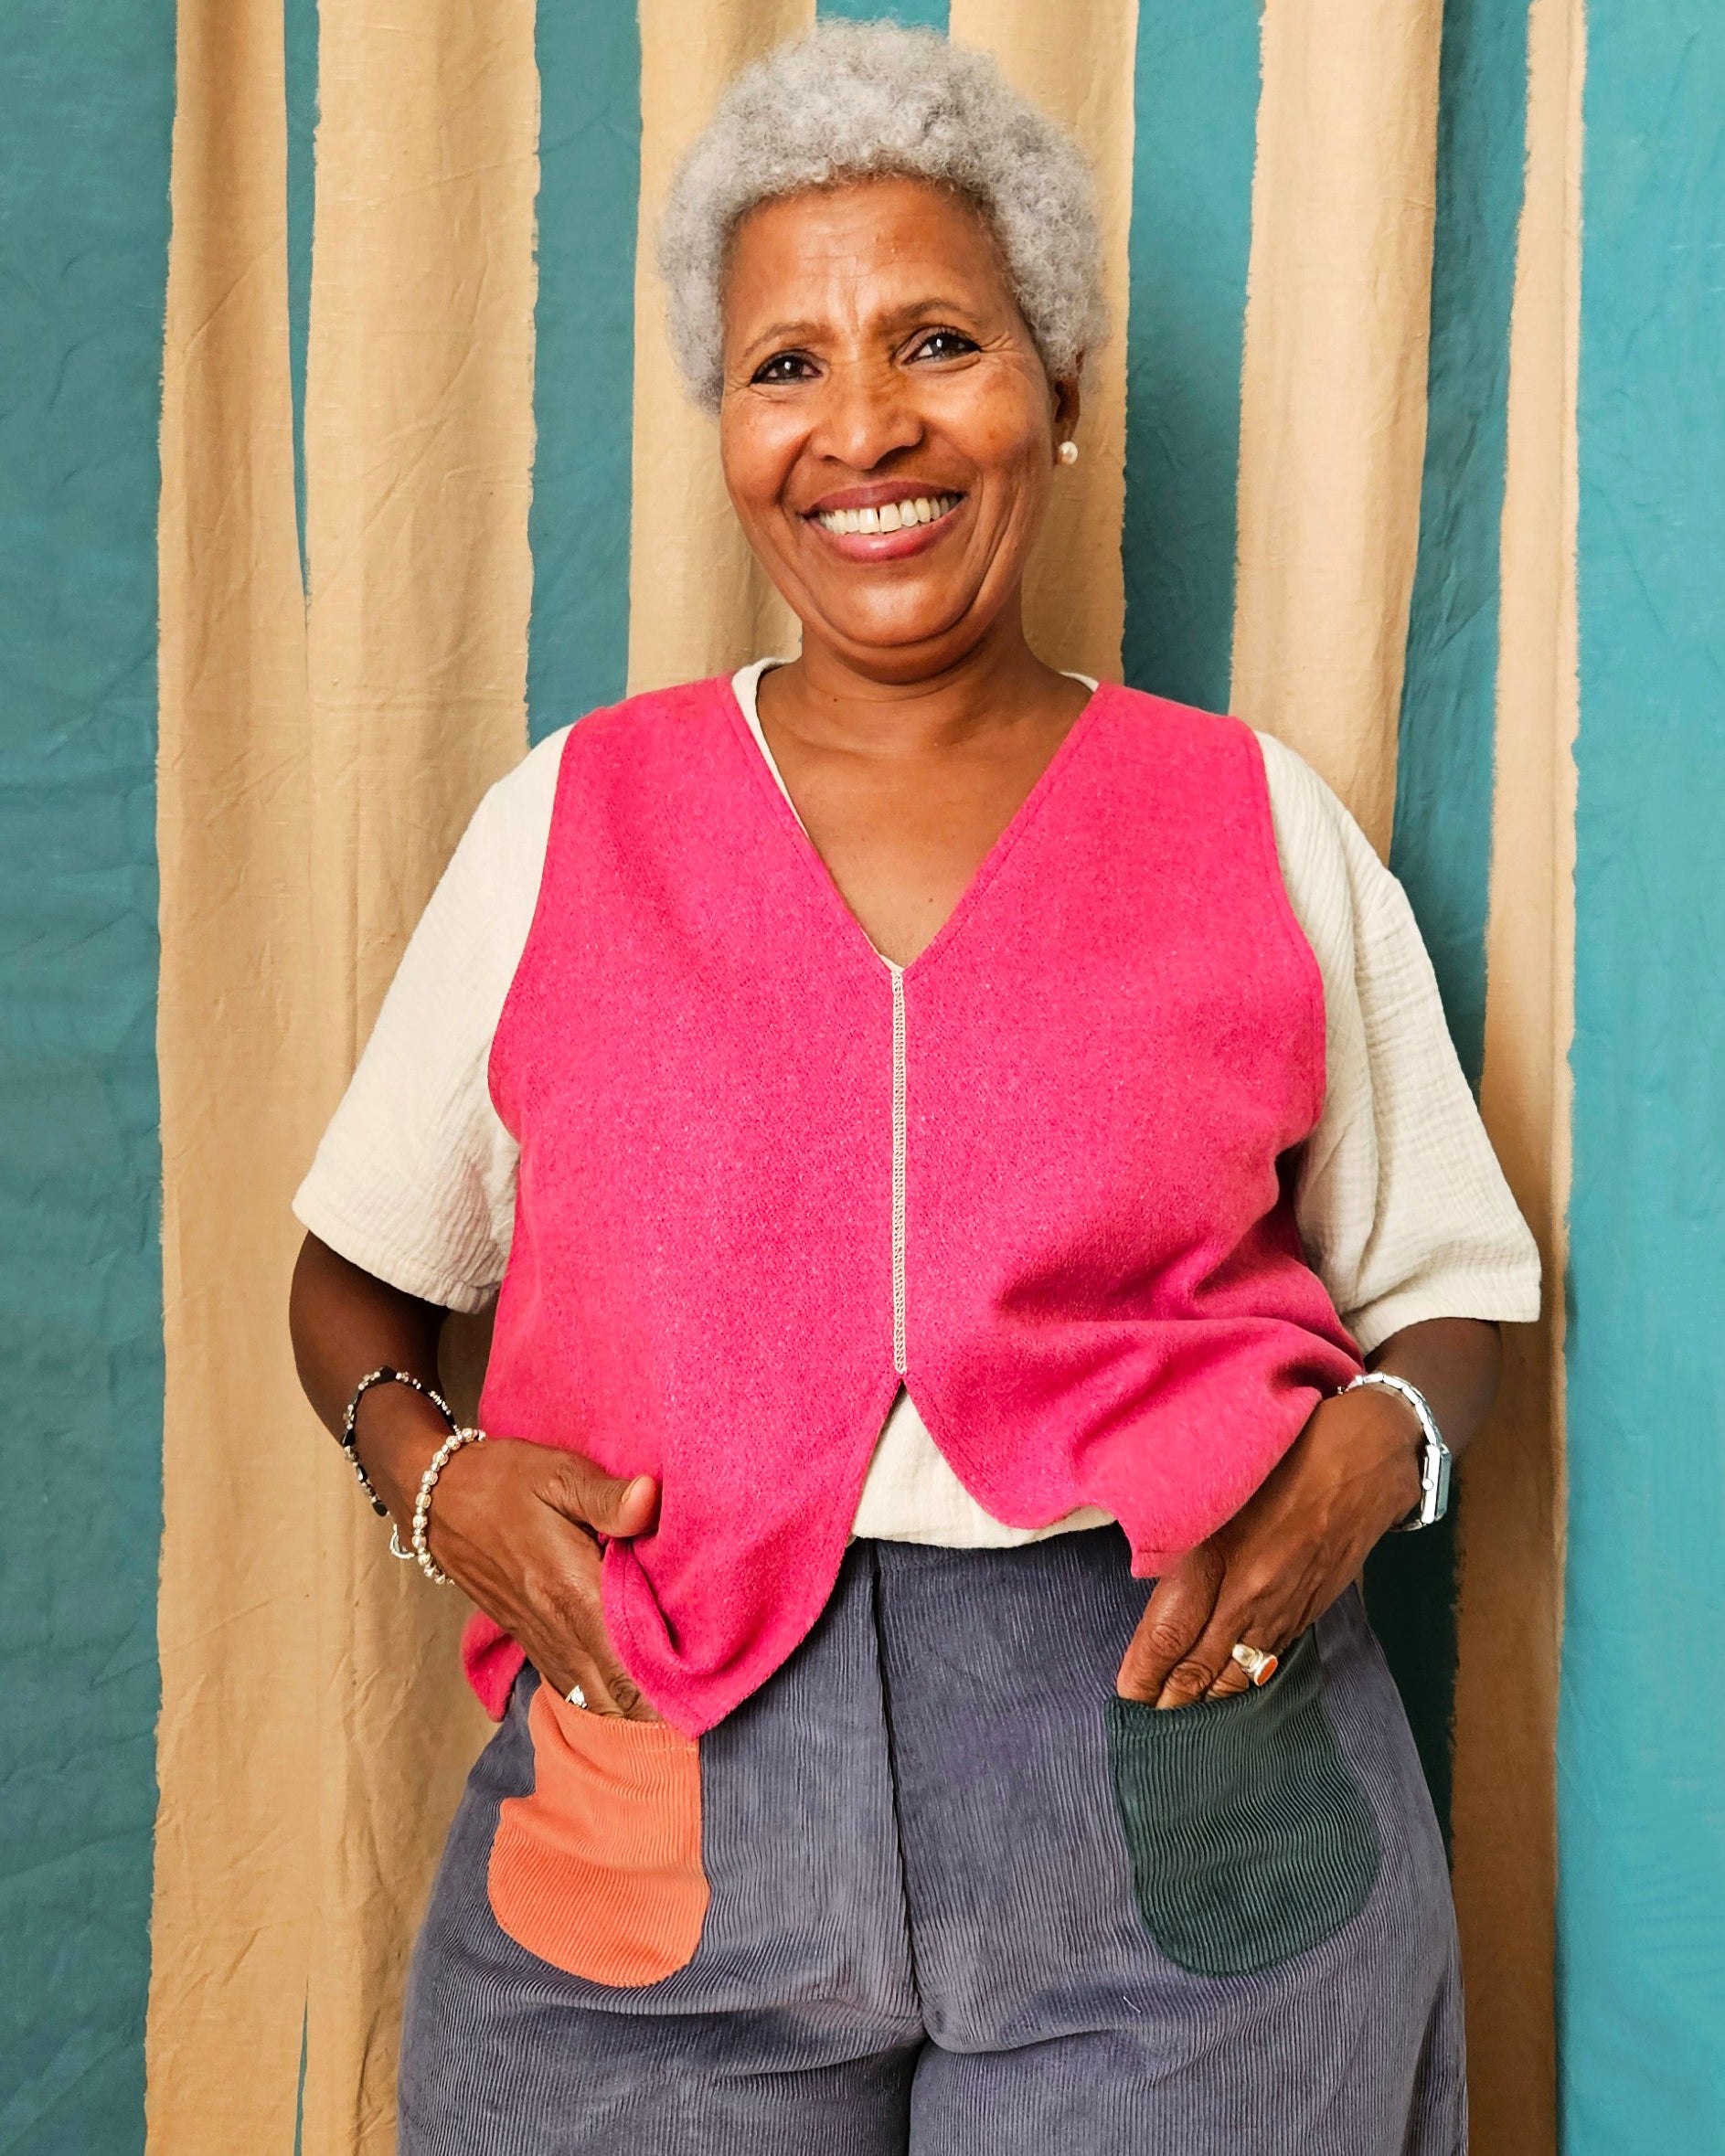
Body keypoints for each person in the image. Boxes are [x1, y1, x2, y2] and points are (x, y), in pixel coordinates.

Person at [288, 23, 1538, 2153]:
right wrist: (439, 1480)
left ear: (1055, 385)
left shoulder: (1248, 819)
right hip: (666, 1768)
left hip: (1174, 1766)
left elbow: (1446, 1285)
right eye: (784, 364)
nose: (862, 425)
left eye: (937, 342)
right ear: (724, 425)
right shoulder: (568, 822)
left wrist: (1363, 1465)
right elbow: (351, 1281)